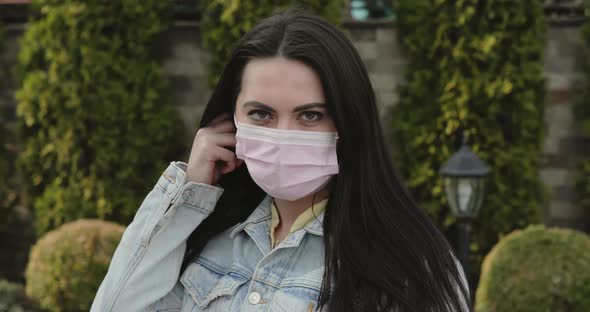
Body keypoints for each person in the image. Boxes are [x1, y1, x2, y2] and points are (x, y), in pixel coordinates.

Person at [91, 8, 470, 312]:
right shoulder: (207, 243)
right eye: (261, 114)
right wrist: (189, 193)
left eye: (310, 115)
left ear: (348, 121)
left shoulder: (412, 265)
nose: (284, 133)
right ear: (231, 121)